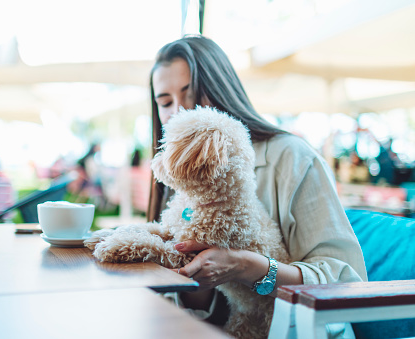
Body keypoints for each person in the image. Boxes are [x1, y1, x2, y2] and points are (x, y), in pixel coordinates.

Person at [147, 35, 367, 337]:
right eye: (166, 102)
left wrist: (245, 266)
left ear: (221, 90)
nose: (180, 112)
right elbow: (189, 303)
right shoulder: (182, 174)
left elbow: (347, 282)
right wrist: (192, 277)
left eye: (193, 93)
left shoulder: (292, 158)